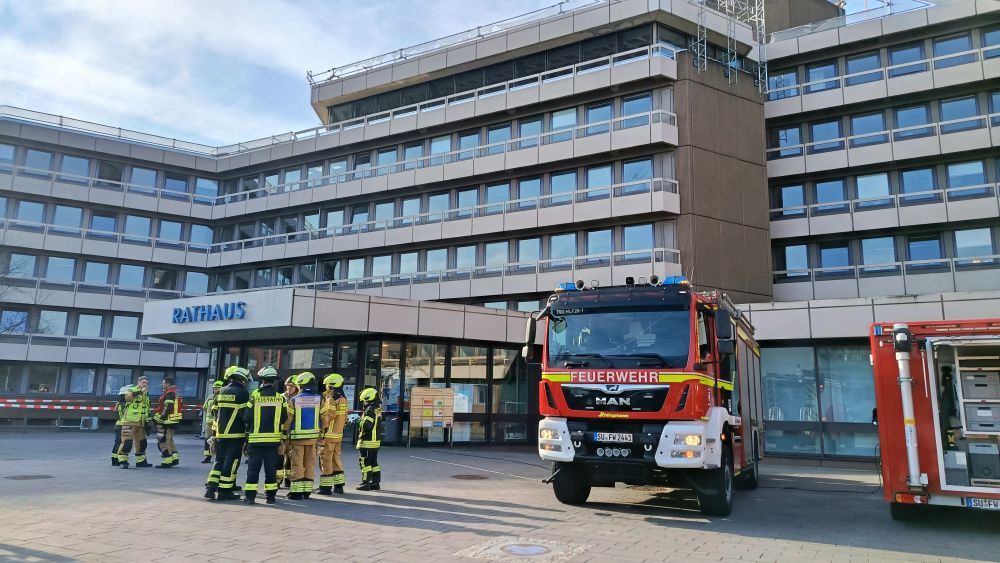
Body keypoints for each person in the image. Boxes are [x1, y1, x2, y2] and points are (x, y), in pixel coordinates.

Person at [241, 366, 287, 505]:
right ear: (274, 381)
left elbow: (247, 417)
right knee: (270, 470)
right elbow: (284, 418)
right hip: (273, 441)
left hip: (256, 441)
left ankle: (250, 497)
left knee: (253, 470)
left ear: (262, 380)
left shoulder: (255, 395)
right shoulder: (280, 398)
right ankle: (271, 497)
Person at [205, 366, 251, 501]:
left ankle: (211, 487)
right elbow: (245, 415)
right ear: (242, 379)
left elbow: (214, 412)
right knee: (231, 461)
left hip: (220, 433)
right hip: (235, 434)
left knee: (219, 460)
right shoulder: (243, 393)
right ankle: (225, 491)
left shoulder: (220, 391)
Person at [285, 371, 321, 500]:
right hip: (313, 439)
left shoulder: (295, 400)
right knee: (310, 463)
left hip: (297, 439)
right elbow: (325, 418)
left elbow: (288, 420)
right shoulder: (319, 399)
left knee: (297, 464)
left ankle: (296, 492)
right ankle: (307, 491)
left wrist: (284, 432)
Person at [318, 373, 349, 495]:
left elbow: (328, 417)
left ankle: (325, 488)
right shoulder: (343, 398)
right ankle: (339, 486)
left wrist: (321, 431)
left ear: (332, 385)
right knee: (336, 460)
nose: (326, 387)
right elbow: (345, 417)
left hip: (329, 435)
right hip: (338, 435)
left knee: (325, 459)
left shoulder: (331, 399)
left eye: (327, 385)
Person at [115, 385, 151, 469]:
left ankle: (141, 461)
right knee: (127, 442)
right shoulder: (130, 390)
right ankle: (123, 461)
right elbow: (128, 398)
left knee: (142, 443)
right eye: (143, 382)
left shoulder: (146, 394)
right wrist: (140, 391)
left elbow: (146, 409)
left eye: (147, 382)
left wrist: (148, 422)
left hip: (141, 422)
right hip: (129, 421)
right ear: (139, 382)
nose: (145, 384)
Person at [153, 375, 183, 468]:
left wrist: (161, 418)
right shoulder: (177, 391)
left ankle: (167, 461)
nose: (162, 385)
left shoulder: (169, 393)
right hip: (174, 420)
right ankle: (174, 458)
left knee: (163, 440)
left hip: (167, 420)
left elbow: (168, 407)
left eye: (163, 383)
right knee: (170, 440)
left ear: (167, 384)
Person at [356, 386, 382, 491]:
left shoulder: (369, 410)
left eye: (364, 401)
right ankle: (375, 483)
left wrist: (357, 421)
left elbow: (367, 426)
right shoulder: (377, 409)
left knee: (365, 462)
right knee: (374, 463)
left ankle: (365, 483)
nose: (364, 403)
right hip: (375, 442)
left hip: (367, 441)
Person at [277, 375, 299, 488]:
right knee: (279, 457)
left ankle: (288, 479)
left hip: (293, 433)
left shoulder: (299, 399)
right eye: (288, 386)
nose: (289, 388)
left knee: (291, 458)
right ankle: (277, 480)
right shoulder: (280, 397)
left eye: (292, 386)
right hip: (281, 433)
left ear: (297, 387)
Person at [201, 380, 223, 463]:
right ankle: (207, 456)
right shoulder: (210, 397)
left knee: (217, 440)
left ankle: (218, 456)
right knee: (208, 439)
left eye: (217, 388)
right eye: (214, 388)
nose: (215, 390)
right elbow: (205, 408)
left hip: (218, 422)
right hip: (210, 422)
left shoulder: (222, 398)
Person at [111, 386, 129, 466]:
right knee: (121, 443)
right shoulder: (126, 404)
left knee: (117, 442)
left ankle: (114, 459)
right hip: (123, 425)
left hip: (118, 425)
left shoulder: (118, 403)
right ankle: (117, 459)